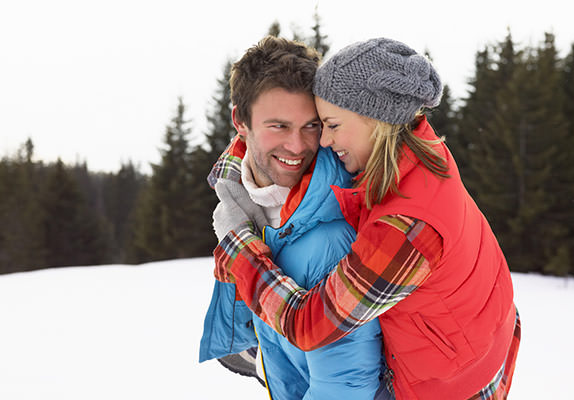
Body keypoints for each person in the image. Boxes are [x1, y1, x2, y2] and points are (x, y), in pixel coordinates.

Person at [212, 37, 521, 400]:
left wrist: (242, 255)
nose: (323, 141)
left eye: (329, 124)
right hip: (471, 338)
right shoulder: (409, 146)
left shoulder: (406, 229)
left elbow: (310, 325)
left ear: (377, 121)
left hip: (447, 386)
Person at [198, 36, 386, 400]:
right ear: (240, 121)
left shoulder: (329, 236)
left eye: (311, 126)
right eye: (279, 126)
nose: (298, 147)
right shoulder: (237, 205)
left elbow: (344, 388)